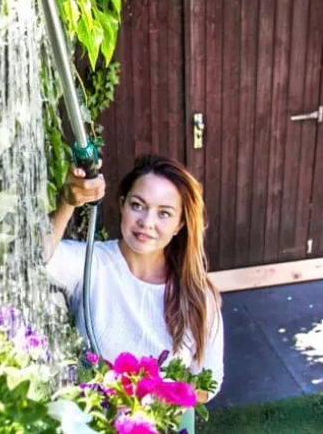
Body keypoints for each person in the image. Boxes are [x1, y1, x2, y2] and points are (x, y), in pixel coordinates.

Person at [45, 154, 224, 408]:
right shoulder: (91, 263)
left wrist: (143, 407)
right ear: (122, 204)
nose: (147, 223)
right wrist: (67, 202)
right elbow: (36, 258)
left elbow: (209, 381)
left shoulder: (197, 294)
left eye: (164, 213)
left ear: (179, 224)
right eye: (138, 205)